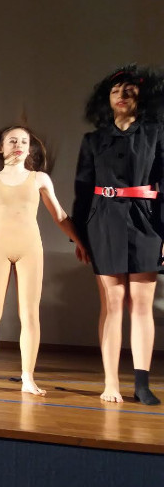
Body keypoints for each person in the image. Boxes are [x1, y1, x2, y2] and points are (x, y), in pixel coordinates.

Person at [0, 126, 89, 396]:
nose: (18, 145)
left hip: (29, 248)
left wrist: (80, 242)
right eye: (12, 141)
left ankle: (28, 377)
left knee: (29, 314)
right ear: (0, 148)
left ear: (30, 149)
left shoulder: (39, 179)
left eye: (24, 142)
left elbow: (60, 215)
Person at [72, 65, 164, 405]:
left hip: (147, 222)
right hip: (103, 222)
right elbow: (82, 191)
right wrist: (79, 237)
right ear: (106, 100)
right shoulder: (93, 140)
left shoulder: (156, 133)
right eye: (115, 92)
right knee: (112, 304)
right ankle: (110, 382)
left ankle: (142, 384)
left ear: (142, 95)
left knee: (141, 304)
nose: (122, 96)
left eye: (128, 90)